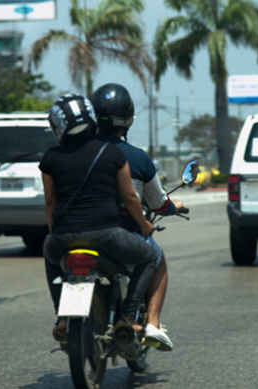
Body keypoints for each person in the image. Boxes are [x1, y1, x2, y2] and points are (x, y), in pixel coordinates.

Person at [39, 93, 158, 344]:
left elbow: (50, 202)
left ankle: (62, 317)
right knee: (149, 257)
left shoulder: (50, 158)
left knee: (50, 256)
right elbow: (130, 198)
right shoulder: (113, 153)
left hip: (63, 236)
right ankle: (127, 317)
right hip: (106, 234)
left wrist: (55, 233)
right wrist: (144, 225)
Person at [91, 83, 184, 352]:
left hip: (76, 227)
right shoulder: (136, 158)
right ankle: (148, 322)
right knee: (156, 258)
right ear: (129, 120)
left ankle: (63, 320)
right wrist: (174, 207)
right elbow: (157, 203)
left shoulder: (79, 151)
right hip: (121, 232)